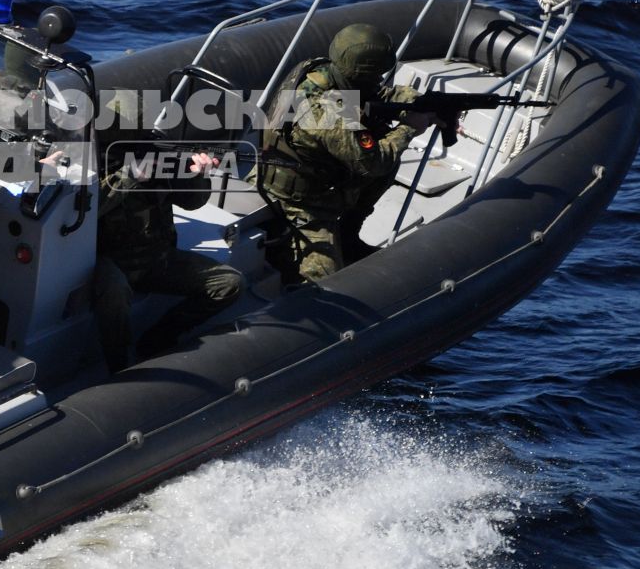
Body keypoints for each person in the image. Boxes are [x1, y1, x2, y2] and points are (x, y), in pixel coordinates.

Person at [259, 23, 430, 284]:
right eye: (375, 74)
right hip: (298, 202)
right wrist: (409, 128)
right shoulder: (328, 110)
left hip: (305, 177)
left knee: (386, 161)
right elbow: (373, 162)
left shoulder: (320, 72)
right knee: (324, 279)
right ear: (361, 72)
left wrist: (425, 103)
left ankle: (348, 236)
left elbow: (377, 95)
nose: (379, 79)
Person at [93, 119, 246, 371]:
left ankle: (157, 340)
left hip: (156, 258)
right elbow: (87, 208)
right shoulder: (93, 164)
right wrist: (128, 177)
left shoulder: (159, 156)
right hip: (108, 260)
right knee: (114, 291)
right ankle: (119, 366)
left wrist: (198, 174)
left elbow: (192, 202)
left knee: (230, 284)